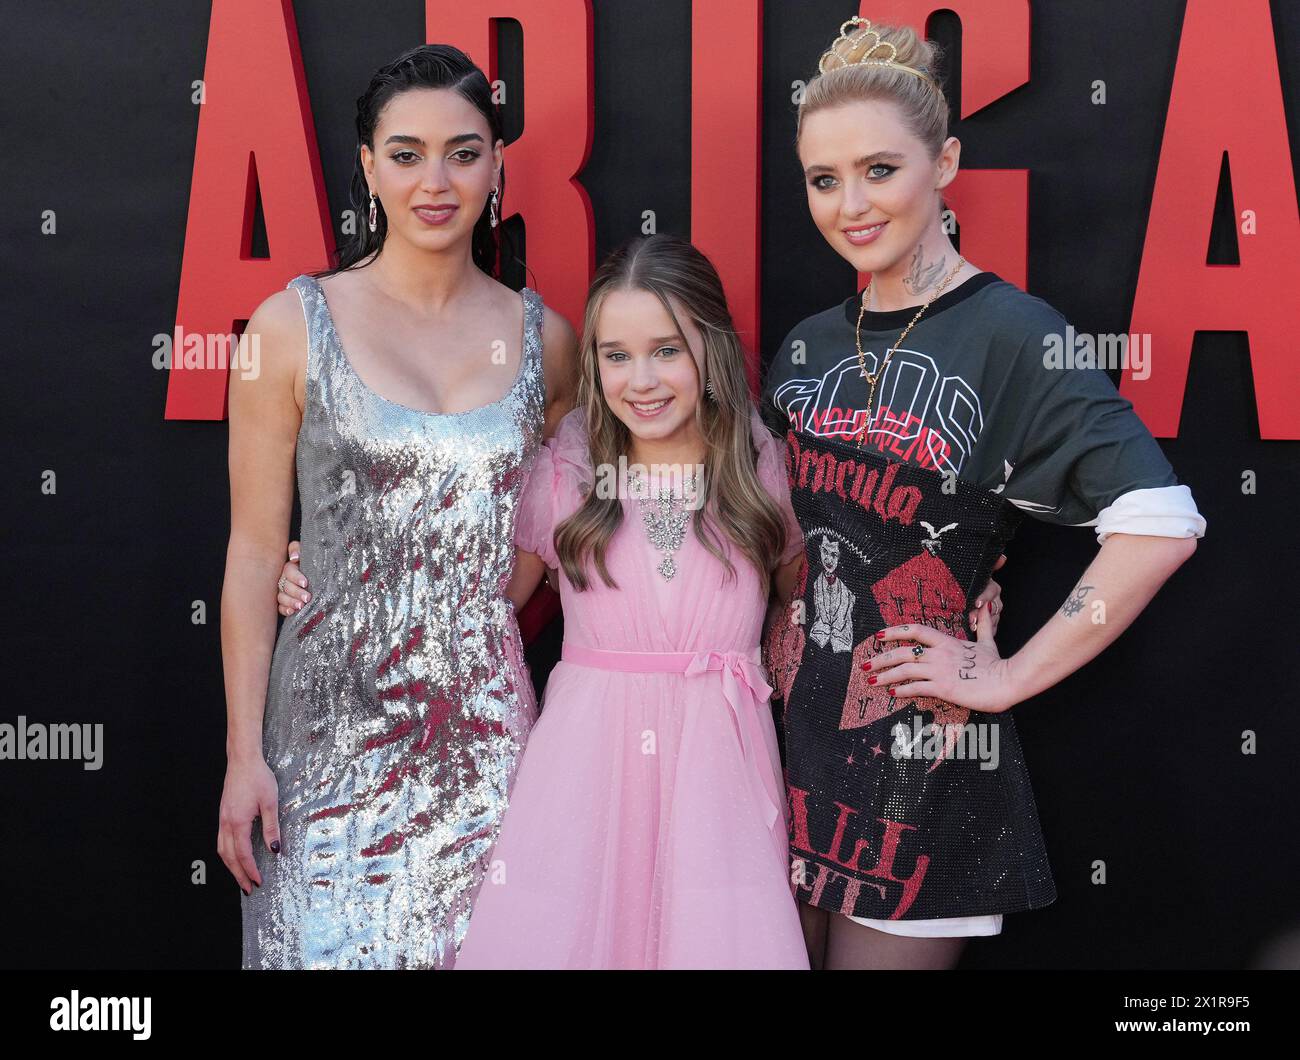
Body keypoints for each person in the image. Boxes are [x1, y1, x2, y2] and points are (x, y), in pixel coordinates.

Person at [760, 16, 1206, 970]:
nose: (850, 204)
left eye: (881, 170)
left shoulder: (1013, 336)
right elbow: (795, 531)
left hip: (925, 776)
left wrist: (1003, 676)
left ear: (946, 160)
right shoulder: (806, 345)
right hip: (782, 756)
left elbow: (1159, 524)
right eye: (823, 178)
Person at [217, 43, 577, 969]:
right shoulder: (288, 328)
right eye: (407, 153)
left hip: (487, 747)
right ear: (368, 167)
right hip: (322, 749)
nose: (436, 179)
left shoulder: (553, 344)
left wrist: (466, 584)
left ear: (497, 166)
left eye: (464, 151)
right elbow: (256, 555)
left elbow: (562, 523)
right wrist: (242, 756)